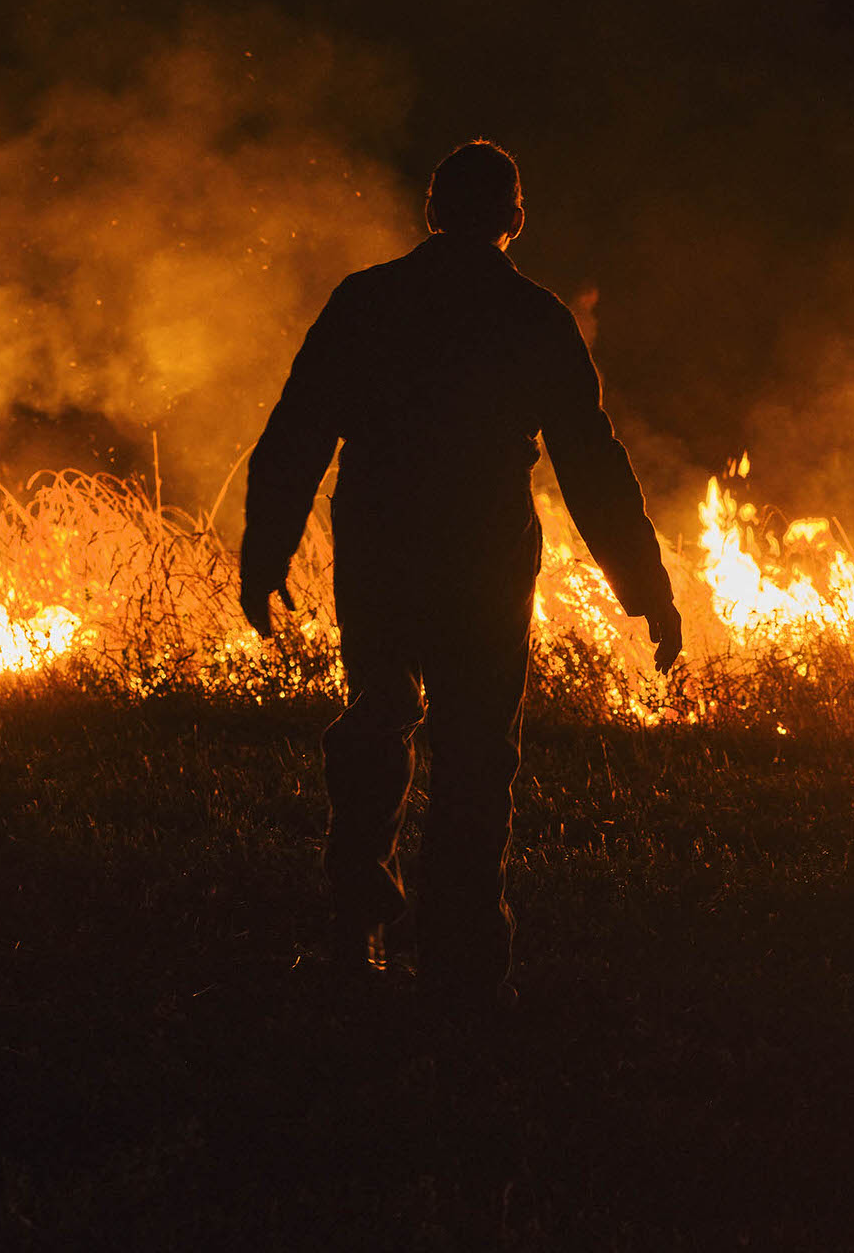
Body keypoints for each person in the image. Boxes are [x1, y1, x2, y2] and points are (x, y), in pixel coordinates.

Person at [241, 140, 681, 1007]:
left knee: (376, 721)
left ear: (432, 211)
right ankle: (464, 967)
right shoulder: (532, 316)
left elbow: (297, 432)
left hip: (381, 538)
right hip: (484, 545)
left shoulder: (367, 300)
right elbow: (591, 460)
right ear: (514, 220)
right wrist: (646, 587)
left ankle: (354, 933)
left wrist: (266, 554)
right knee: (478, 752)